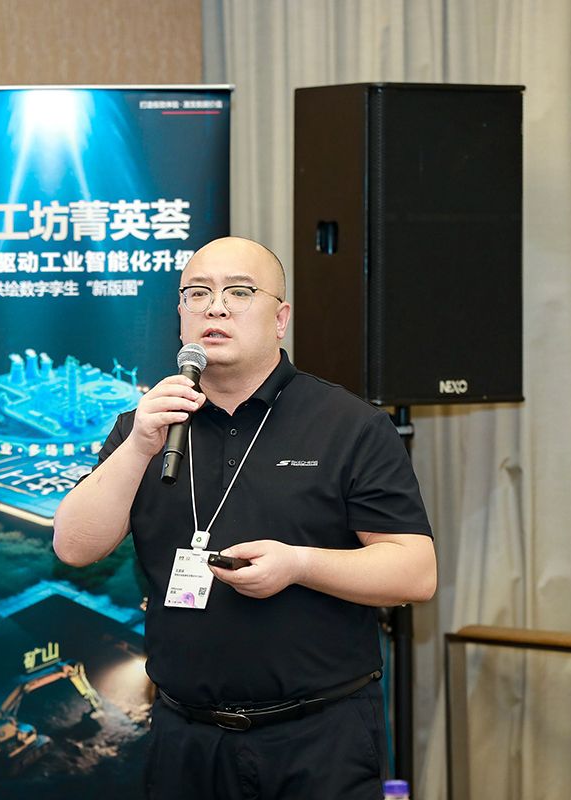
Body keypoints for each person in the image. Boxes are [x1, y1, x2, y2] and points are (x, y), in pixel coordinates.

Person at [53, 236, 435, 799]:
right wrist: (138, 446)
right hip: (184, 736)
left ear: (280, 319)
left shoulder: (349, 424)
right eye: (198, 294)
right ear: (181, 316)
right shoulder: (147, 425)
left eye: (238, 292)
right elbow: (74, 547)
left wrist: (299, 564)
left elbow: (415, 572)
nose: (216, 307)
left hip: (318, 738)